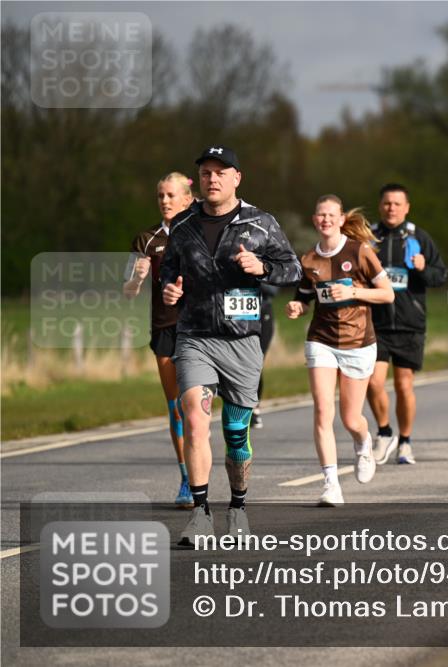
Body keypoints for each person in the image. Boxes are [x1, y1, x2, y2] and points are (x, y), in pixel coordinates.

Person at [161, 146, 302, 547]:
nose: (212, 179)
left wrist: (264, 269)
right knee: (194, 418)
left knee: (236, 433)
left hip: (242, 341)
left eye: (220, 173)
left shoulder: (261, 223)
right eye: (205, 173)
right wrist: (169, 289)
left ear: (237, 178)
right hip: (195, 337)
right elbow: (169, 270)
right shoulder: (184, 224)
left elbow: (292, 267)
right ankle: (201, 514)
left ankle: (237, 507)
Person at [286, 195, 394, 505]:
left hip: (358, 343)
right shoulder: (308, 259)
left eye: (331, 215)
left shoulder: (360, 252)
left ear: (342, 218)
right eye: (321, 215)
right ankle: (331, 484)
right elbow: (304, 297)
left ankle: (363, 444)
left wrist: (353, 291)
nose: (326, 220)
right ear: (314, 219)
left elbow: (387, 295)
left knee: (350, 419)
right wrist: (297, 306)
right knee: (322, 410)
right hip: (321, 340)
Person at [123, 172, 195, 508]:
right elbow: (126, 293)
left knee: (196, 405)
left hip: (202, 328)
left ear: (186, 198)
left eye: (170, 195)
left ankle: (212, 462)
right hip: (165, 329)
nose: (165, 201)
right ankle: (186, 479)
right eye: (160, 196)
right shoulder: (145, 240)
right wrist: (135, 281)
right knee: (177, 409)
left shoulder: (202, 230)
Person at [366, 183, 448, 466]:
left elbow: (440, 275)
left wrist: (424, 268)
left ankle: (405, 442)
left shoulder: (418, 237)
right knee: (373, 381)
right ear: (380, 206)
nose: (392, 208)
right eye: (387, 203)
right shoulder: (369, 237)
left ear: (407, 207)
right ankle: (384, 431)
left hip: (409, 322)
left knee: (403, 385)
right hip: (375, 323)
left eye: (397, 204)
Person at [251, 282, 279, 429]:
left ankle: (254, 407)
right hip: (229, 314)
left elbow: (274, 288)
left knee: (255, 362)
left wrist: (255, 272)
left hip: (261, 312)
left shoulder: (263, 259)